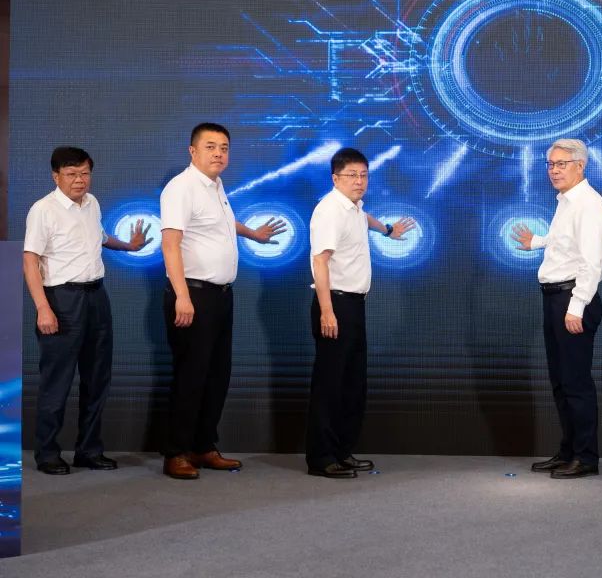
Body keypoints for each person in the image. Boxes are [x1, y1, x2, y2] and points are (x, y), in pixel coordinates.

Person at [159, 122, 285, 480]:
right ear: (192, 150)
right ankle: (176, 453)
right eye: (211, 146)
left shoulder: (215, 186)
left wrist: (252, 233)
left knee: (216, 376)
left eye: (224, 148)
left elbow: (220, 224)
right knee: (191, 377)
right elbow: (170, 244)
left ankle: (203, 446)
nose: (218, 154)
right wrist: (182, 296)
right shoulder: (181, 188)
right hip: (193, 295)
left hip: (220, 296)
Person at [23, 146, 150, 474]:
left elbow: (100, 237)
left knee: (97, 378)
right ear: (56, 176)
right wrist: (43, 308)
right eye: (71, 174)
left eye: (84, 173)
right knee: (57, 381)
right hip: (62, 300)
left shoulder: (91, 203)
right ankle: (47, 454)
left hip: (96, 297)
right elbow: (30, 260)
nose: (79, 180)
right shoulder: (43, 210)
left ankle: (89, 451)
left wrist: (130, 246)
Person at [306, 147, 415, 478]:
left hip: (354, 305)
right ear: (335, 178)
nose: (359, 181)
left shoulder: (353, 208)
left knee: (351, 384)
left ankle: (342, 451)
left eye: (364, 175)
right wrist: (327, 311)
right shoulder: (329, 210)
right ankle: (321, 457)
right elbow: (320, 261)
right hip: (335, 304)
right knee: (329, 385)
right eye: (351, 175)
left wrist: (387, 230)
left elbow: (363, 219)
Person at [511, 139, 602, 479]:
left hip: (573, 299)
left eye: (561, 164)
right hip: (555, 298)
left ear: (581, 165)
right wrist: (537, 242)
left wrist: (576, 306)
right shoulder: (566, 202)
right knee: (561, 381)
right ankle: (568, 451)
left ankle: (586, 457)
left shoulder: (589, 204)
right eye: (551, 164)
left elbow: (592, 264)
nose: (554, 170)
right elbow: (566, 242)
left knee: (576, 383)